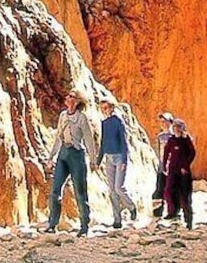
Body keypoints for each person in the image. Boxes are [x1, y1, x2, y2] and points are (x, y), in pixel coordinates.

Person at [46, 88, 97, 236]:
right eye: (68, 95)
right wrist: (51, 157)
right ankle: (52, 224)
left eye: (71, 96)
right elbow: (58, 137)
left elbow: (88, 139)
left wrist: (93, 160)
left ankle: (84, 226)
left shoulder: (82, 118)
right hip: (63, 154)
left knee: (80, 192)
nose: (67, 97)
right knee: (55, 191)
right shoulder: (63, 115)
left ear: (77, 101)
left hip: (76, 155)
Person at [96, 98, 138, 228]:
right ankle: (117, 220)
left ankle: (131, 207)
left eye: (107, 108)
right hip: (108, 157)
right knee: (112, 191)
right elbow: (103, 142)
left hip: (119, 157)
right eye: (102, 108)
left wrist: (124, 160)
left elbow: (124, 141)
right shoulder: (104, 123)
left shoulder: (118, 121)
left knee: (118, 188)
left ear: (112, 108)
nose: (105, 111)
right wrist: (98, 160)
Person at [163, 118, 196, 228]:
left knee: (184, 196)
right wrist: (164, 165)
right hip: (173, 170)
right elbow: (166, 153)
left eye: (178, 127)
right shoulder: (171, 140)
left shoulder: (186, 140)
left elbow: (192, 153)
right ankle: (173, 212)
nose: (176, 129)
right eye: (175, 127)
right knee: (169, 191)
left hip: (183, 172)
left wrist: (185, 166)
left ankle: (188, 220)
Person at [152, 111, 176, 217]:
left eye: (166, 121)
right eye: (162, 122)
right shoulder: (160, 136)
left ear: (171, 122)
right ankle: (157, 213)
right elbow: (158, 151)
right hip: (162, 167)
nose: (164, 124)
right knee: (159, 190)